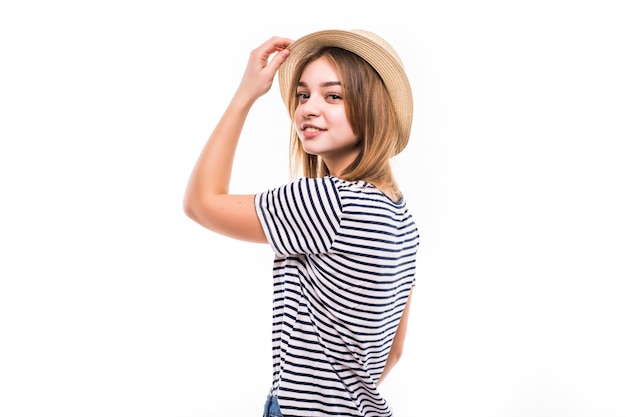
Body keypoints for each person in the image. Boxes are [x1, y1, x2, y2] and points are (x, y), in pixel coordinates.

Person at [184, 29, 419, 417]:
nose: (309, 108)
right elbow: (393, 352)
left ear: (372, 108)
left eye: (333, 96)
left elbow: (200, 203)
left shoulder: (330, 202)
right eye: (303, 94)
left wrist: (244, 95)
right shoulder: (402, 217)